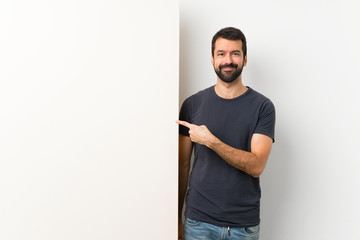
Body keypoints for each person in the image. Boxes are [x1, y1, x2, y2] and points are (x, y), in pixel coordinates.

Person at [177, 27, 275, 240]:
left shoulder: (263, 107)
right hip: (198, 222)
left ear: (245, 59)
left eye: (235, 53)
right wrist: (176, 217)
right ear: (212, 59)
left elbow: (256, 165)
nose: (228, 60)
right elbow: (182, 166)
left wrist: (211, 141)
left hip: (243, 226)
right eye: (221, 54)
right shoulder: (192, 105)